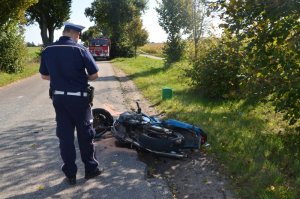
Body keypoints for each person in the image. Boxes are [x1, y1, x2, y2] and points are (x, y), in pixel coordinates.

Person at [39, 22, 101, 185]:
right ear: (75, 34)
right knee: (85, 135)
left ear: (64, 32)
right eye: (79, 35)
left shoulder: (48, 50)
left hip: (59, 99)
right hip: (79, 100)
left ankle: (70, 175)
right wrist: (81, 78)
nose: (79, 38)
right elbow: (94, 75)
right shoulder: (80, 49)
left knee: (65, 137)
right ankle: (91, 170)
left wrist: (61, 78)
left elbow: (44, 76)